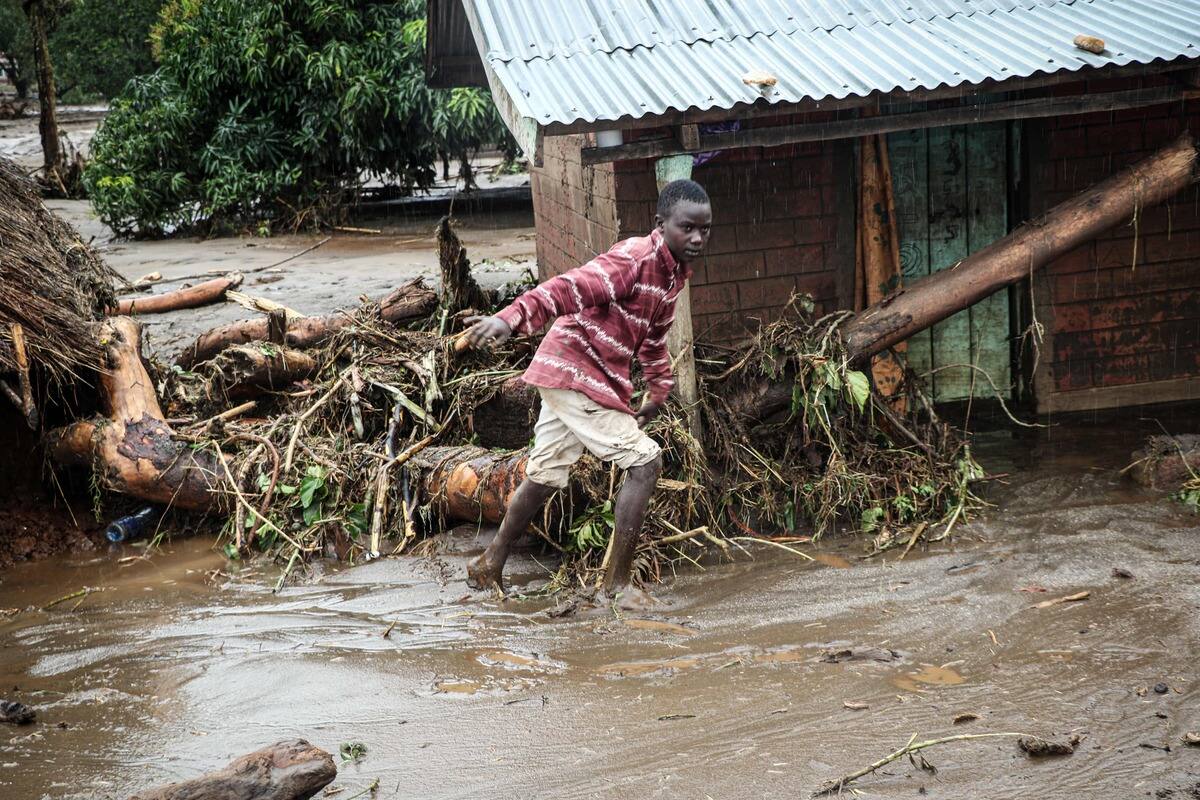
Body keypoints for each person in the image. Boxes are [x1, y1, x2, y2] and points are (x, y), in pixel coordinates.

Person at [458, 178, 712, 603]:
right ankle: (617, 586)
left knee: (544, 473)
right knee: (645, 462)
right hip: (577, 371)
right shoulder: (634, 260)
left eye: (705, 229)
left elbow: (654, 339)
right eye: (687, 228)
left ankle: (489, 563)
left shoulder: (673, 276)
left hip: (574, 375)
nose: (698, 238)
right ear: (661, 224)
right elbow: (567, 288)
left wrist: (658, 389)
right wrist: (511, 317)